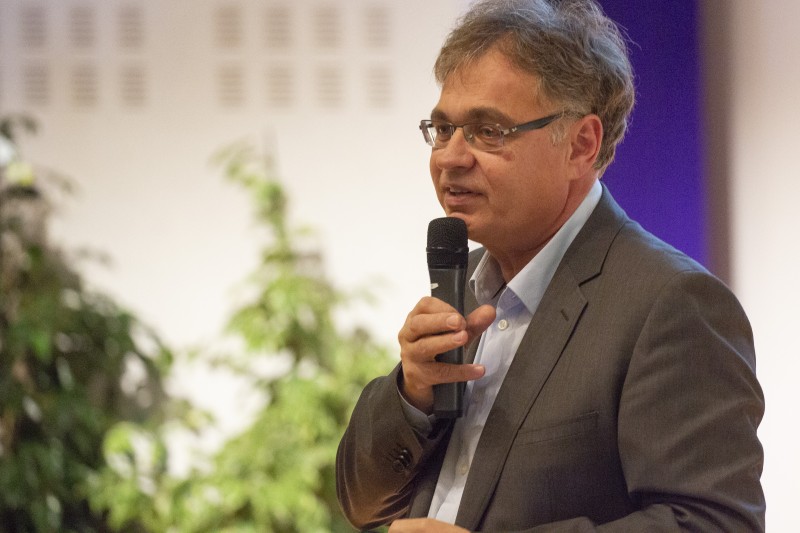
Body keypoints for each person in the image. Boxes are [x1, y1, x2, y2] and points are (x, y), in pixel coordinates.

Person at [336, 0, 765, 531]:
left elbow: (712, 522)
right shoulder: (464, 283)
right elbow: (361, 504)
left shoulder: (671, 304)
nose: (450, 157)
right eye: (443, 129)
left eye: (488, 131)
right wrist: (412, 396)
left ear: (581, 145)